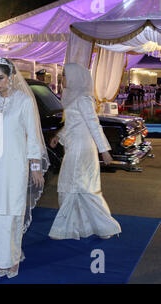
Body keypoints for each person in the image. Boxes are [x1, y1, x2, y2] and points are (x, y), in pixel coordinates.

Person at [0, 58, 48, 279]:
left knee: (12, 212)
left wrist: (35, 166)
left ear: (11, 77)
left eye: (0, 78)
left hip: (16, 165)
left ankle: (13, 259)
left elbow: (33, 136)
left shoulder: (23, 101)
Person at [48, 63, 121, 240]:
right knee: (76, 186)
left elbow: (93, 125)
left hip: (82, 149)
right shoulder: (73, 97)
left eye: (64, 75)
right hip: (75, 146)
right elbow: (73, 123)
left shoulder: (83, 99)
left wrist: (104, 150)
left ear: (75, 77)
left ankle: (98, 226)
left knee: (80, 186)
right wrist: (60, 135)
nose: (62, 78)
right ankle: (83, 226)